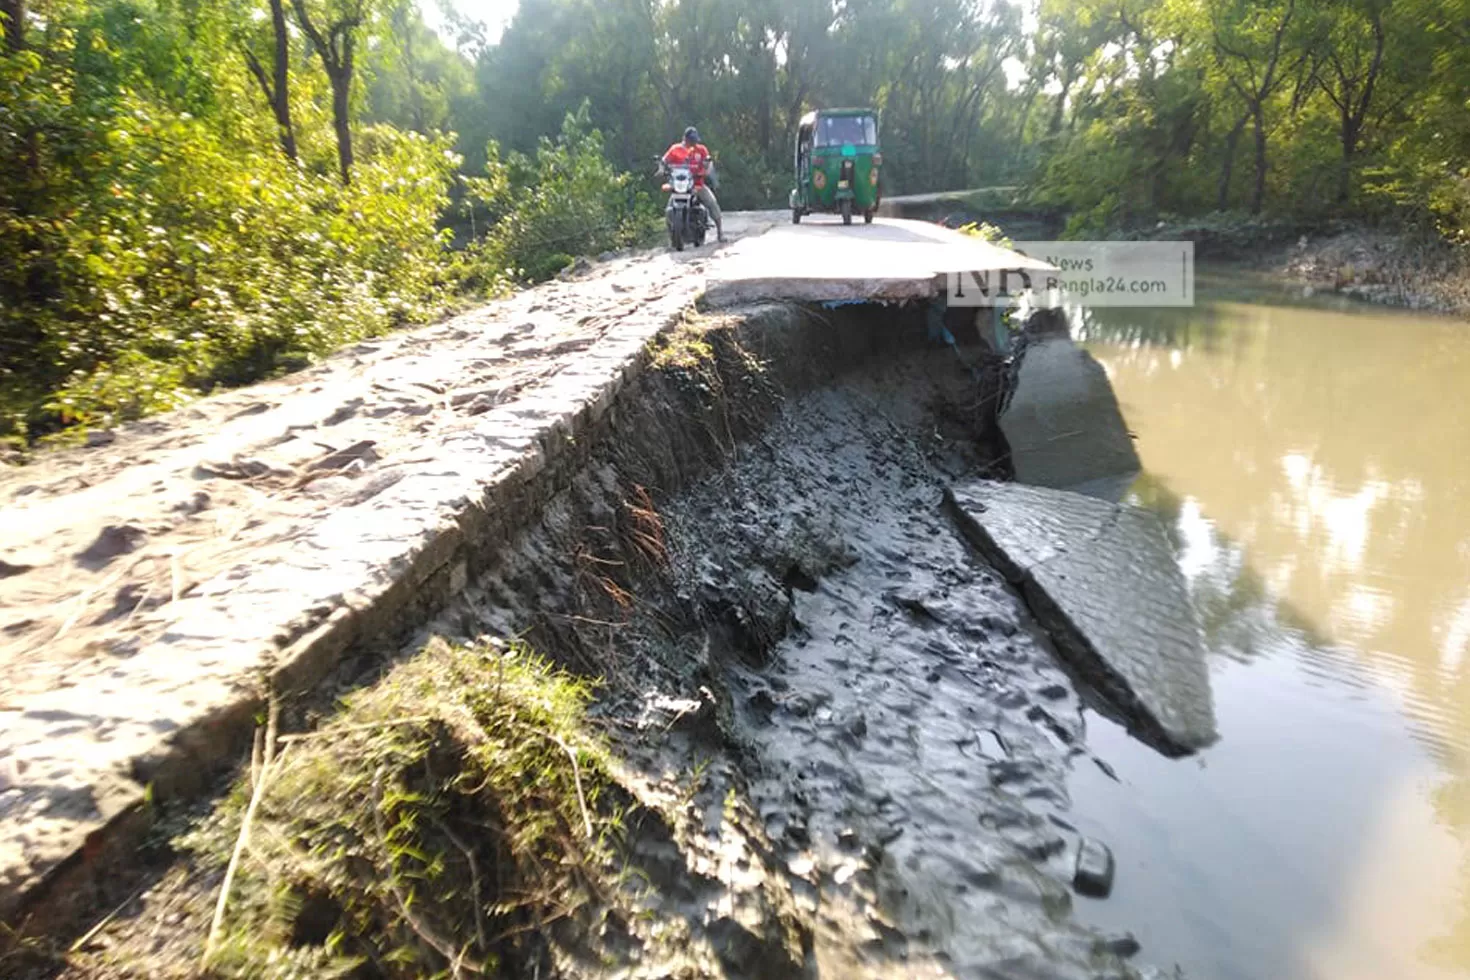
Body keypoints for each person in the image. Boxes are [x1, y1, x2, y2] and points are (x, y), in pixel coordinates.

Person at [662, 126, 723, 242]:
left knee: (712, 203)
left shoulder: (701, 150)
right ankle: (672, 238)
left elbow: (708, 164)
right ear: (685, 138)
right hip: (679, 185)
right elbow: (664, 161)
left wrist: (707, 168)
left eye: (694, 140)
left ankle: (720, 233)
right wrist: (662, 168)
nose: (693, 143)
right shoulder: (675, 149)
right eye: (691, 140)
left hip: (697, 184)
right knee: (668, 209)